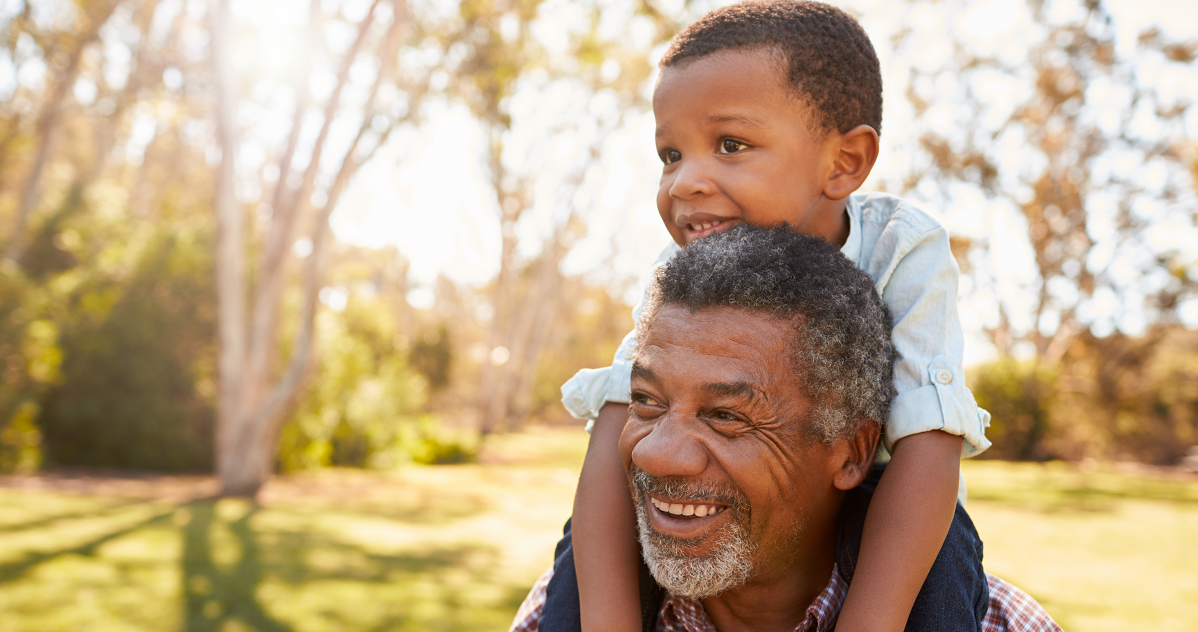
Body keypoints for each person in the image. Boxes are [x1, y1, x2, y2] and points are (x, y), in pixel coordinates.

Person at [544, 3, 994, 632]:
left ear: (844, 162)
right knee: (587, 544)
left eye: (730, 145)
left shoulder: (901, 246)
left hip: (887, 508)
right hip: (719, 521)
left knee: (943, 560)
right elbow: (618, 417)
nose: (685, 183)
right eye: (671, 154)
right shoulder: (680, 272)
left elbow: (928, 439)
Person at [514, 225, 1058, 632]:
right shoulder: (558, 610)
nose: (657, 455)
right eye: (646, 402)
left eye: (726, 416)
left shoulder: (1000, 624)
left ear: (852, 454)